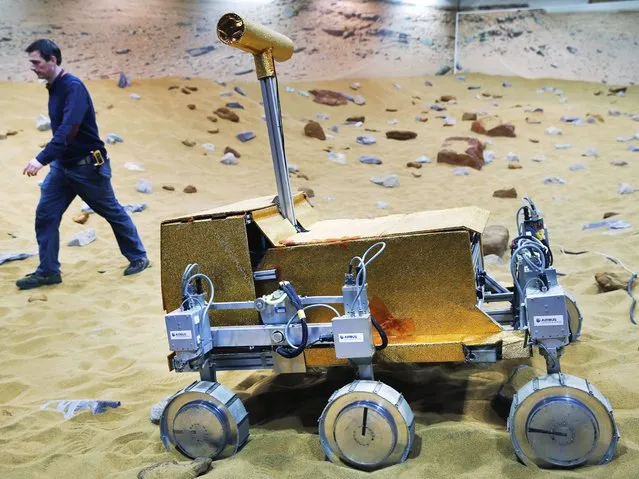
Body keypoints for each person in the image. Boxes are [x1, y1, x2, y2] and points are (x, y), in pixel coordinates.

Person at [16, 39, 149, 290]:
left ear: (53, 60)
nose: (32, 67)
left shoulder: (72, 87)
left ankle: (138, 257)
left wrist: (40, 159)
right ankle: (47, 272)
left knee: (112, 211)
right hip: (63, 168)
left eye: (36, 62)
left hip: (88, 168)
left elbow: (69, 130)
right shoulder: (53, 86)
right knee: (45, 216)